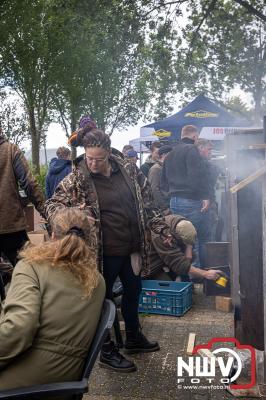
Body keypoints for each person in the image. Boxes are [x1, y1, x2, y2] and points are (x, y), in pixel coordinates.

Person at [45, 116, 171, 373]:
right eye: (89, 158)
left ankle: (134, 337)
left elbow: (148, 204)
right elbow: (52, 205)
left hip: (132, 247)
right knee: (101, 300)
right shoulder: (77, 178)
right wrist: (73, 217)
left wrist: (163, 230)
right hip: (101, 253)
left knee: (134, 291)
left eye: (98, 159)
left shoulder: (129, 170)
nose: (93, 163)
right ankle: (106, 350)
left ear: (109, 153)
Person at [0, 208, 105, 392]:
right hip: (65, 384)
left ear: (52, 234)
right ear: (89, 239)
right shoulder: (98, 280)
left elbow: (18, 329)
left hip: (24, 381)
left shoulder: (31, 266)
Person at [161, 125, 211, 267]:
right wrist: (205, 196)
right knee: (195, 240)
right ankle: (198, 280)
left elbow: (163, 182)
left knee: (182, 240)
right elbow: (197, 176)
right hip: (191, 200)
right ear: (195, 136)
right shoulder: (192, 150)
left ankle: (185, 279)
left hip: (174, 201)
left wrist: (173, 193)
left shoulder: (170, 154)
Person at [0, 125, 45, 267]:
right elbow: (29, 183)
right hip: (10, 225)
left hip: (10, 225)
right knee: (27, 270)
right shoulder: (9, 150)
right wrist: (44, 209)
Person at [145, 214, 222, 282]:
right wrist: (205, 274)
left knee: (191, 256)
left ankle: (181, 278)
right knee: (169, 288)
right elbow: (178, 262)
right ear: (176, 234)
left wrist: (189, 248)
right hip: (148, 266)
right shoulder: (163, 237)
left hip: (164, 256)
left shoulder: (181, 222)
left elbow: (189, 235)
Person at [196, 139, 221, 264]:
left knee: (204, 239)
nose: (211, 152)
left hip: (206, 205)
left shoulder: (207, 164)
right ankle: (205, 269)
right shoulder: (203, 165)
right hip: (203, 206)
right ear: (200, 148)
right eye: (209, 149)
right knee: (205, 240)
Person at [148, 145, 172, 215]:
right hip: (162, 209)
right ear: (165, 155)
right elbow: (154, 190)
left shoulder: (165, 168)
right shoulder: (156, 169)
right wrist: (164, 208)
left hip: (168, 205)